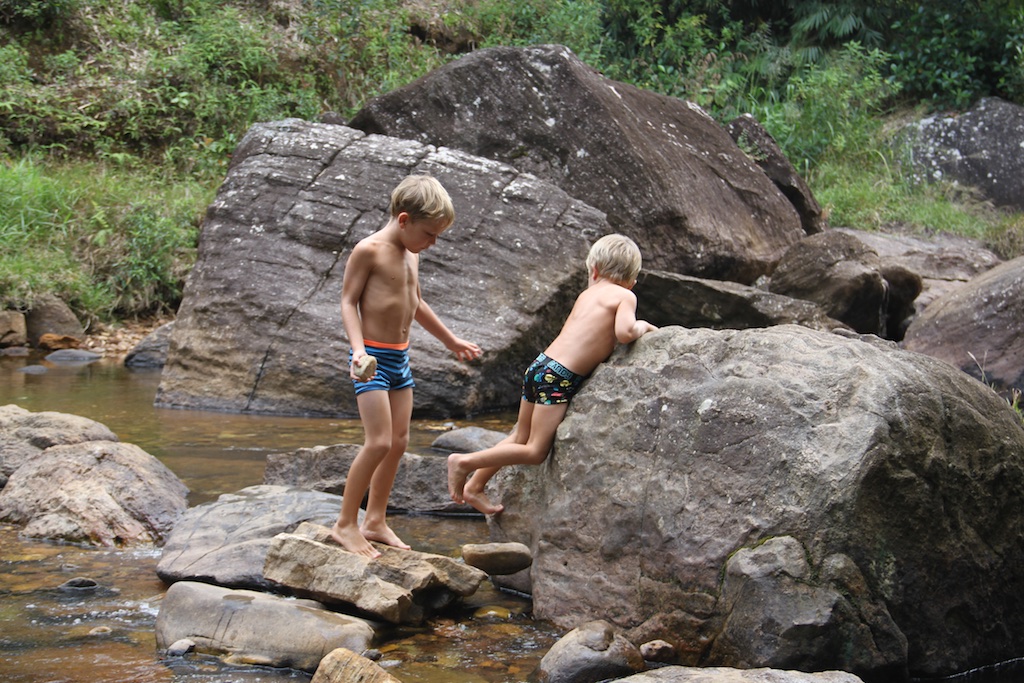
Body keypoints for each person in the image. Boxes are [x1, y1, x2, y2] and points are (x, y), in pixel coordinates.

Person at [447, 233, 657, 515]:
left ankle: (475, 486)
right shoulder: (625, 296)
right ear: (632, 281)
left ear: (593, 271)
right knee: (535, 451)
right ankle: (464, 462)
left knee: (520, 435)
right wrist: (644, 326)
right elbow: (625, 332)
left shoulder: (587, 294)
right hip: (559, 378)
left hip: (540, 366)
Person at [331, 174, 482, 558]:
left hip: (400, 358)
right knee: (378, 441)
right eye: (430, 234)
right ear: (403, 220)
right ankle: (345, 524)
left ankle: (375, 520)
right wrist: (357, 350)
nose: (433, 243)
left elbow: (416, 302)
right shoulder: (369, 250)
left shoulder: (411, 253)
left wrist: (450, 340)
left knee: (398, 443)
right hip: (372, 360)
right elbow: (348, 302)